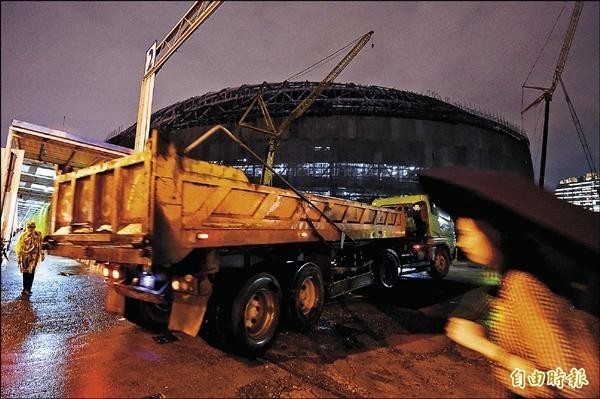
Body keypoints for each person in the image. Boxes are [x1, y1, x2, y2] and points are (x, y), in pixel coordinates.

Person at [418, 167, 599, 398]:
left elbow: (576, 384)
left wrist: (504, 358)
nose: (462, 244)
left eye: (468, 234)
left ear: (492, 234)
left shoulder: (521, 286)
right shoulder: (499, 281)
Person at [16, 221, 45, 297]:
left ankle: (28, 289)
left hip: (34, 257)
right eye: (29, 228)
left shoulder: (38, 235)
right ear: (27, 228)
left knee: (31, 272)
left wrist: (42, 254)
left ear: (35, 227)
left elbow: (41, 245)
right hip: (25, 256)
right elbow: (19, 246)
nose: (31, 229)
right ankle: (25, 289)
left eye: (32, 227)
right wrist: (18, 257)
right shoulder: (23, 236)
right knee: (25, 272)